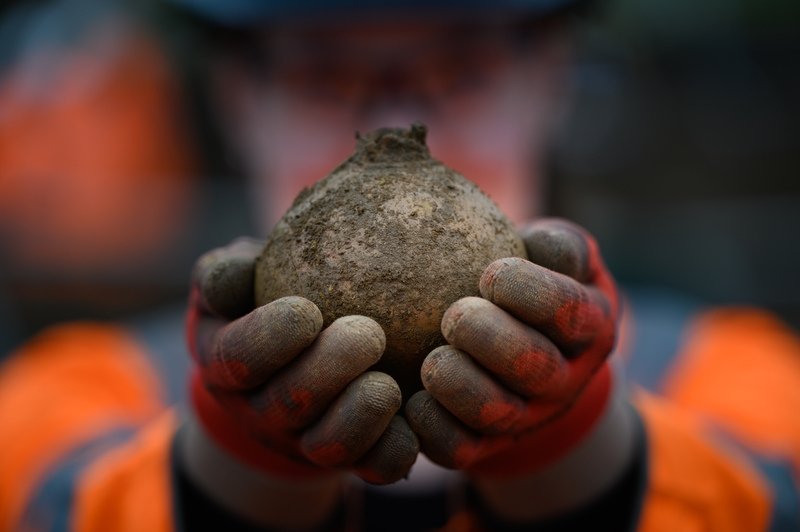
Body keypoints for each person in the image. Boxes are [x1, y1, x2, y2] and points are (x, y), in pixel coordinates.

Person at [1, 1, 799, 531]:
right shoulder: (70, 390)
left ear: (550, 81)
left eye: (462, 72)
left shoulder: (731, 368)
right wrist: (231, 475)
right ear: (237, 98)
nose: (390, 120)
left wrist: (581, 458)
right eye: (321, 76)